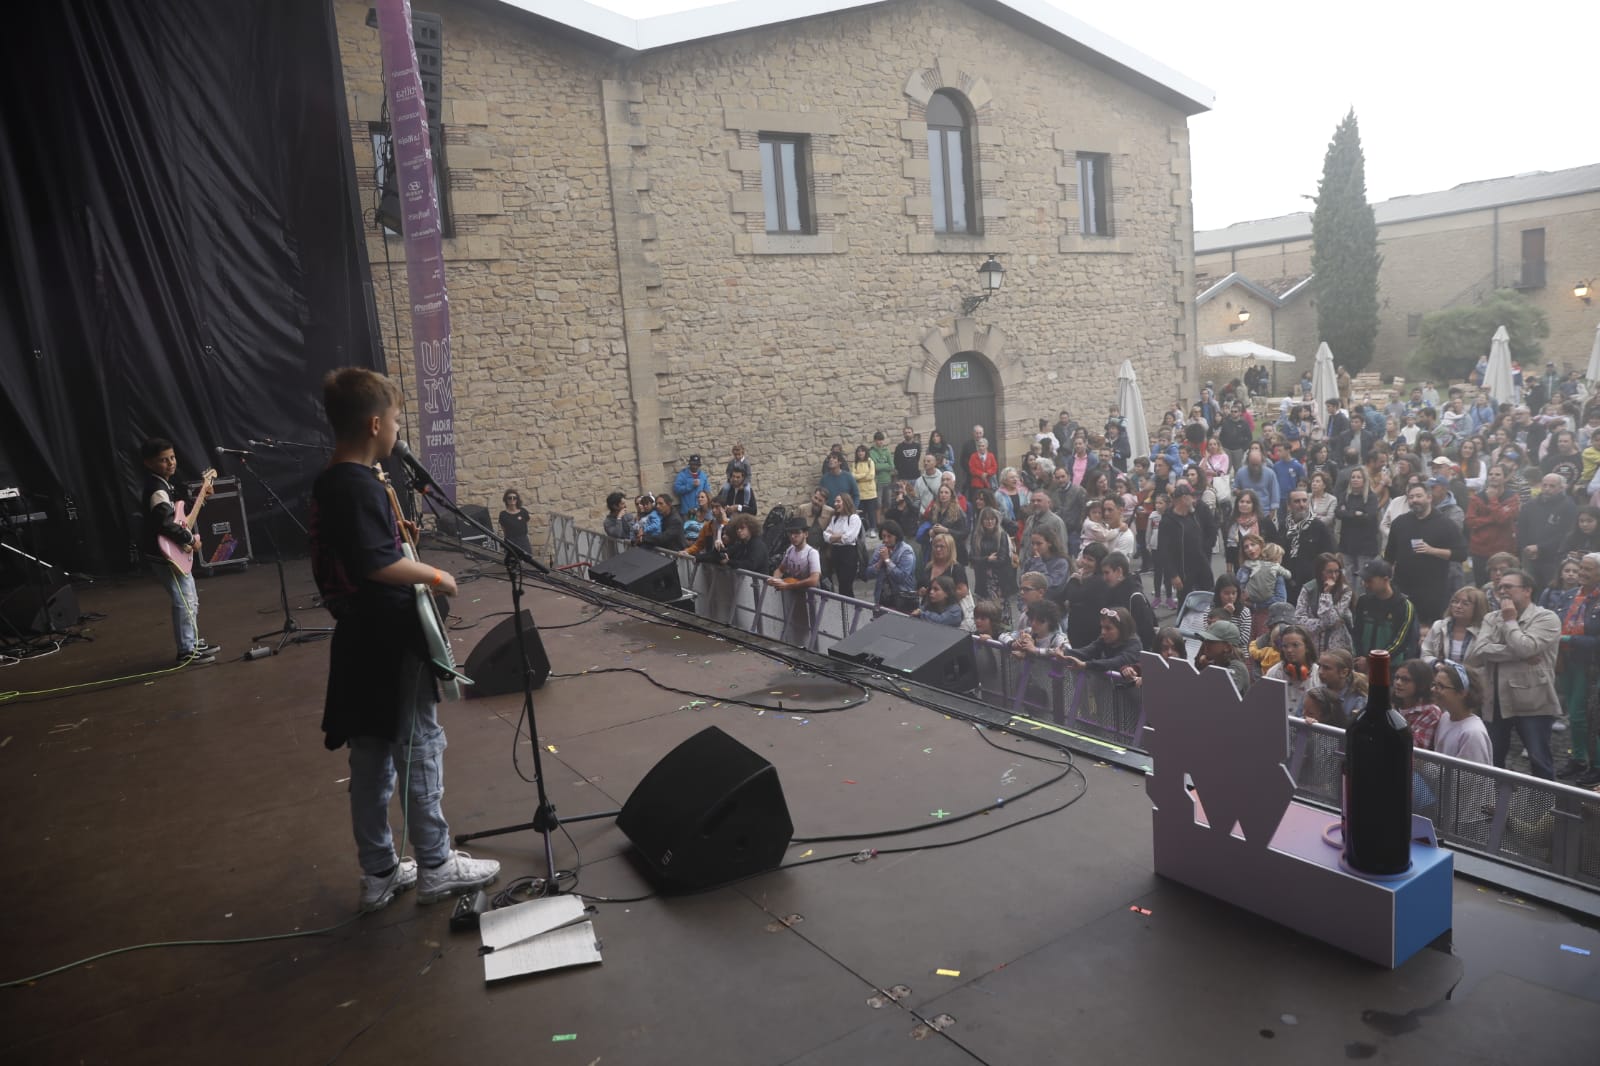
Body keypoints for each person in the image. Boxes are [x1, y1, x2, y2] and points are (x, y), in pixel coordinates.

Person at [309, 367, 499, 912]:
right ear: (375, 424)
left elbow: (355, 554)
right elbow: (376, 565)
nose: (398, 430)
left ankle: (379, 872)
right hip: (390, 640)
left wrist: (398, 544)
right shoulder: (359, 485)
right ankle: (436, 865)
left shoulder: (331, 482)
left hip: (358, 641)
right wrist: (437, 576)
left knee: (371, 755)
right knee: (419, 747)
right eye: (395, 419)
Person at [1466, 568, 1561, 779]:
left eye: (1508, 586)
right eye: (1499, 587)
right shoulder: (1491, 617)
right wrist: (1519, 653)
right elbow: (1479, 652)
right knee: (1493, 760)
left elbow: (1526, 647)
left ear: (1527, 590)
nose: (1502, 591)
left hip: (1533, 701)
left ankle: (1544, 800)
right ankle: (1494, 798)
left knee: (1539, 760)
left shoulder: (1546, 618)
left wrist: (1510, 621)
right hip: (1495, 701)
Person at [138, 437, 219, 665]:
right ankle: (186, 650)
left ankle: (192, 642)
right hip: (164, 554)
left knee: (190, 597)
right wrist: (190, 539)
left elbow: (177, 518)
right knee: (184, 600)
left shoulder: (164, 485)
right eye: (163, 460)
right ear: (148, 463)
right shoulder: (157, 490)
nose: (171, 463)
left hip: (171, 551)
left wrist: (201, 499)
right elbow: (164, 524)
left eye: (172, 457)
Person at [1385, 482, 1468, 626]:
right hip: (1403, 588)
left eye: (1418, 496)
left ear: (1429, 498)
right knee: (1402, 626)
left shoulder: (1445, 524)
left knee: (1429, 630)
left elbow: (1461, 554)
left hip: (1433, 591)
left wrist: (1432, 550)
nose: (1414, 500)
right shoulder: (1400, 523)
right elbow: (1389, 556)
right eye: (1411, 497)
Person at [1555, 553, 1600, 784]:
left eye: (1588, 569)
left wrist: (1568, 640)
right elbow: (1556, 622)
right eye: (1581, 567)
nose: (1582, 573)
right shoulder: (1570, 595)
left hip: (1590, 665)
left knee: (1587, 717)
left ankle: (1596, 765)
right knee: (1575, 716)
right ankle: (1579, 758)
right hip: (1566, 661)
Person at [1350, 560, 1418, 666]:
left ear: (1385, 580)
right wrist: (1360, 658)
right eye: (1364, 580)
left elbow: (1399, 642)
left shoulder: (1404, 605)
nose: (1365, 584)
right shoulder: (1363, 600)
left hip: (1390, 666)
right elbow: (1356, 632)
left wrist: (1372, 660)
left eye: (1369, 580)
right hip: (1361, 663)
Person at [1517, 473, 1577, 591]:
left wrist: (1540, 548)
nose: (1547, 489)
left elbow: (1566, 534)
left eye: (1552, 486)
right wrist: (1526, 548)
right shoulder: (1530, 505)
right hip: (1530, 557)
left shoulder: (1568, 506)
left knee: (1550, 591)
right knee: (1529, 589)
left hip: (1553, 559)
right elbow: (1521, 529)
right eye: (1544, 485)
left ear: (1561, 488)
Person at [1159, 482, 1212, 609]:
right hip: (1183, 571)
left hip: (1201, 567)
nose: (1194, 500)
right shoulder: (1168, 521)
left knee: (1208, 601)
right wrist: (1173, 575)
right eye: (1191, 497)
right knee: (1185, 605)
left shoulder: (1193, 515)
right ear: (1184, 498)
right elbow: (1164, 551)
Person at [1429, 659, 1493, 764]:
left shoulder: (1472, 734)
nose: (1433, 689)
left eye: (1441, 686)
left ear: (1462, 693)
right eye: (1434, 684)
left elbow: (1469, 773)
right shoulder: (1445, 717)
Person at [1280, 488, 1335, 605]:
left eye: (1304, 501)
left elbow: (1329, 556)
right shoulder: (1283, 526)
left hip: (1312, 583)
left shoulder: (1319, 527)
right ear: (1289, 506)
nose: (1302, 505)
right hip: (1287, 583)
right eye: (1297, 501)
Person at [1056, 604, 1144, 676]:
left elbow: (1115, 662)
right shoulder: (1104, 639)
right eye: (1102, 627)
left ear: (1123, 629)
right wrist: (1062, 652)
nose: (1103, 632)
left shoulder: (1134, 645)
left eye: (1108, 628)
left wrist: (1086, 665)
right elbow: (1086, 652)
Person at [1466, 466, 1520, 579]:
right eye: (1491, 474)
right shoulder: (1476, 498)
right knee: (1481, 584)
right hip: (1480, 551)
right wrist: (1491, 519)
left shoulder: (1512, 498)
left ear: (1505, 478)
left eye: (1497, 474)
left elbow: (1501, 519)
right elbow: (1470, 522)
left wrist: (1493, 499)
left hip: (1504, 552)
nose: (1493, 477)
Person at [1293, 552, 1353, 654]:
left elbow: (1330, 619)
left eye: (1337, 571)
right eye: (1329, 572)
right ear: (1320, 572)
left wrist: (1326, 594)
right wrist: (1322, 624)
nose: (1333, 576)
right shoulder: (1308, 589)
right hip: (1313, 644)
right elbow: (1299, 619)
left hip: (1336, 646)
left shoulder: (1345, 591)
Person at [1421, 585, 1489, 665]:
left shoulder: (1484, 631)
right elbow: (1425, 654)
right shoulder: (1439, 626)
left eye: (1465, 604)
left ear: (1478, 608)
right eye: (1455, 601)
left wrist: (1464, 671)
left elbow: (1486, 665)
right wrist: (1436, 664)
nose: (1458, 606)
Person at [1264, 624, 1320, 717]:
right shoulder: (1274, 673)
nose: (1289, 650)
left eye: (1295, 645)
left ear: (1307, 647)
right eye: (1285, 646)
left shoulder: (1319, 674)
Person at [865, 520, 918, 612]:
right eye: (883, 536)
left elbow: (901, 577)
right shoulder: (880, 548)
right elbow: (868, 573)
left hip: (902, 598)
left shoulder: (906, 551)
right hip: (882, 597)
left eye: (889, 536)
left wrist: (887, 560)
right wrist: (880, 562)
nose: (886, 540)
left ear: (896, 536)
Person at [968, 507, 1017, 605]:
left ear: (996, 520)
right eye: (986, 520)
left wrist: (981, 561)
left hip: (999, 579)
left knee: (1000, 608)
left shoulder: (1002, 535)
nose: (990, 522)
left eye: (992, 519)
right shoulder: (976, 536)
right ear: (982, 521)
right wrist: (987, 559)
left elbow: (1002, 559)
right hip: (982, 579)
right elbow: (971, 558)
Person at [1392, 658, 1443, 749]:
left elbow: (1416, 747)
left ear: (1421, 684)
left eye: (1405, 679)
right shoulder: (1390, 705)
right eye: (1396, 678)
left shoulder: (1431, 712)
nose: (1398, 683)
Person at [1194, 620, 1252, 695]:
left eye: (1211, 641)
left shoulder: (1237, 667)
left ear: (1227, 647)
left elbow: (1220, 695)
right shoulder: (1215, 663)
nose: (1205, 643)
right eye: (1205, 640)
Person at [823, 494, 863, 598]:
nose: (835, 504)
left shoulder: (854, 518)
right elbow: (826, 536)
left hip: (848, 554)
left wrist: (834, 536)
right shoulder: (835, 518)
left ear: (846, 502)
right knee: (841, 583)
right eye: (835, 501)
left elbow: (849, 538)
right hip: (836, 552)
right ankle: (845, 605)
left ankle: (851, 605)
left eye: (838, 501)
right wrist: (840, 536)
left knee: (846, 585)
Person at [768, 517, 822, 592]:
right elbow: (780, 569)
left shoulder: (812, 553)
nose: (793, 536)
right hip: (793, 592)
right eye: (790, 533)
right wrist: (775, 579)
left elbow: (814, 580)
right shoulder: (790, 549)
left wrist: (788, 586)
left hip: (809, 594)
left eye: (797, 532)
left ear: (806, 534)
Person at [849, 445, 879, 535]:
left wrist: (859, 477)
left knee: (871, 513)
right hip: (859, 493)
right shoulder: (855, 463)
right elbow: (852, 476)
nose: (860, 453)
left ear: (865, 452)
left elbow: (871, 476)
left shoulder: (870, 462)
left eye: (862, 451)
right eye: (859, 451)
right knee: (861, 513)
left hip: (870, 493)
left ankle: (873, 529)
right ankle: (863, 530)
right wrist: (865, 474)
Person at [496, 489, 533, 557]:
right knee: (512, 562)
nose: (512, 499)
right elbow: (504, 529)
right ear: (506, 500)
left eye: (514, 498)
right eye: (509, 498)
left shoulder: (523, 512)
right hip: (510, 543)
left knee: (527, 561)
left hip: (523, 542)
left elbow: (526, 524)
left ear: (517, 499)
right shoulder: (503, 514)